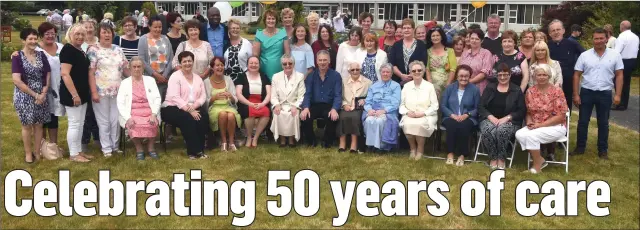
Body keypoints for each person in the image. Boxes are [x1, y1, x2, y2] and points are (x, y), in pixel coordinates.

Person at [572, 28, 624, 160]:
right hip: (587, 92)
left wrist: (618, 95)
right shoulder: (585, 55)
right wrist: (576, 95)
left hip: (605, 93)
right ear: (592, 39)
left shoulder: (615, 55)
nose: (599, 41)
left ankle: (602, 150)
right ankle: (580, 147)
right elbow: (577, 75)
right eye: (596, 38)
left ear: (606, 39)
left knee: (603, 123)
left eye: (601, 38)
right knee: (583, 121)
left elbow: (619, 75)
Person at [515, 64, 568, 174]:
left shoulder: (557, 91)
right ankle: (540, 159)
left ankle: (537, 167)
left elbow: (560, 117)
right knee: (519, 134)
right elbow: (529, 112)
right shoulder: (530, 91)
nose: (542, 77)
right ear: (534, 77)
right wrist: (529, 121)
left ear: (549, 76)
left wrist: (540, 125)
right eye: (539, 75)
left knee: (531, 136)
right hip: (535, 124)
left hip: (556, 126)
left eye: (545, 74)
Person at [87, 23, 130, 157]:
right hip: (100, 92)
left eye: (109, 32)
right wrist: (93, 92)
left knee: (115, 120)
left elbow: (125, 69)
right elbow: (91, 72)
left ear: (113, 34)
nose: (106, 35)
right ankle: (106, 149)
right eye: (103, 32)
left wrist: (138, 78)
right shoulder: (93, 49)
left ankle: (115, 146)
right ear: (99, 35)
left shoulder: (118, 49)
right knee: (103, 121)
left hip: (118, 91)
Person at [12, 28, 52, 163]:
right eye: (30, 39)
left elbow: (47, 73)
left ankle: (37, 152)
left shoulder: (41, 55)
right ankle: (28, 154)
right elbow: (16, 80)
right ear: (23, 40)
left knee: (39, 125)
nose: (33, 41)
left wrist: (44, 92)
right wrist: (35, 95)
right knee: (27, 125)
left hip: (41, 96)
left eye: (35, 39)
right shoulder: (17, 57)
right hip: (25, 95)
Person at [478, 63, 526, 169]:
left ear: (510, 75)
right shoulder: (490, 88)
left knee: (501, 130)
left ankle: (501, 158)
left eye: (505, 74)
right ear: (497, 76)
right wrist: (490, 117)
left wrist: (507, 117)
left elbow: (521, 111)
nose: (503, 77)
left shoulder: (516, 90)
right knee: (488, 130)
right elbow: (481, 106)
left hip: (510, 121)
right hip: (489, 119)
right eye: (500, 75)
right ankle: (493, 157)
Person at [162, 51, 208, 159]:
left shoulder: (198, 78)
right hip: (172, 107)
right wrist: (189, 110)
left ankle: (201, 150)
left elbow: (203, 96)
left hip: (193, 107)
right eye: (184, 61)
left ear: (193, 62)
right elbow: (175, 97)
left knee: (203, 117)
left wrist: (194, 107)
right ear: (180, 63)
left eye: (189, 61)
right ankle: (193, 152)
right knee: (188, 119)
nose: (187, 63)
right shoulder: (175, 76)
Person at [117, 57, 161, 160]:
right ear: (130, 68)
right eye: (134, 67)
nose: (137, 69)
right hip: (132, 112)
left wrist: (154, 114)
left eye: (139, 66)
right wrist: (128, 117)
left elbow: (157, 98)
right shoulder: (125, 83)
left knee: (152, 123)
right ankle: (139, 148)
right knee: (133, 124)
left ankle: (151, 147)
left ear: (143, 68)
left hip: (149, 110)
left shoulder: (150, 80)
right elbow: (120, 102)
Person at [60, 23, 93, 162]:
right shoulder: (68, 50)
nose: (80, 37)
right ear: (70, 35)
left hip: (82, 93)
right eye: (77, 34)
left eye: (82, 34)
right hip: (73, 94)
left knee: (80, 123)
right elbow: (65, 74)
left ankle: (78, 150)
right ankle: (73, 154)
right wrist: (74, 95)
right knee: (74, 123)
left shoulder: (80, 50)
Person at [300, 50, 342, 148]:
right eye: (320, 60)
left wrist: (334, 109)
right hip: (315, 105)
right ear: (317, 61)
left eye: (325, 60)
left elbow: (338, 95)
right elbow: (307, 94)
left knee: (332, 117)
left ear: (329, 61)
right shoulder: (311, 76)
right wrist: (305, 107)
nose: (322, 62)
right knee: (305, 117)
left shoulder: (336, 76)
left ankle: (327, 141)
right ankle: (311, 141)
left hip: (329, 105)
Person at [441, 65, 481, 166]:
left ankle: (462, 155)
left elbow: (478, 108)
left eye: (466, 76)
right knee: (452, 125)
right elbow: (443, 105)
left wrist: (467, 114)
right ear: (457, 76)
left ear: (470, 77)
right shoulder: (450, 88)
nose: (463, 78)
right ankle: (450, 154)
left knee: (463, 126)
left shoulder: (475, 90)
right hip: (450, 116)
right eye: (461, 76)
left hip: (469, 117)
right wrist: (451, 115)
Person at [399, 61, 438, 160]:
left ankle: (420, 150)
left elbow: (435, 106)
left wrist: (423, 113)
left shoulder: (429, 86)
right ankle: (412, 149)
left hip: (426, 115)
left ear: (423, 71)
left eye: (419, 70)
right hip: (410, 114)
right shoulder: (406, 87)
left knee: (419, 125)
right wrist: (408, 112)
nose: (417, 72)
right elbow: (401, 105)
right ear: (410, 72)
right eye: (414, 70)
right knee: (407, 124)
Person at [36, 22, 65, 155]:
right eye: (47, 34)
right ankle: (41, 147)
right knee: (41, 118)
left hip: (57, 88)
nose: (50, 36)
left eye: (52, 34)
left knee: (54, 117)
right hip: (40, 89)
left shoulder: (61, 47)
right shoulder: (36, 50)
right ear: (41, 35)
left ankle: (53, 146)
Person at [362, 63, 401, 152]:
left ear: (391, 74)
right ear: (380, 73)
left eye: (388, 72)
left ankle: (381, 146)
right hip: (374, 110)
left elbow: (396, 103)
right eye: (383, 72)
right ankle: (370, 145)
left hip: (389, 111)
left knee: (379, 121)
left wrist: (384, 110)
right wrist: (369, 110)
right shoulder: (374, 85)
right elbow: (368, 102)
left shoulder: (396, 86)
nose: (385, 74)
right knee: (369, 120)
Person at [548, 19, 585, 111]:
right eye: (553, 30)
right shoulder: (547, 45)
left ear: (563, 31)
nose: (556, 32)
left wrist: (579, 68)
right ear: (550, 33)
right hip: (551, 80)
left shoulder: (572, 44)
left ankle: (566, 123)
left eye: (558, 29)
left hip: (568, 79)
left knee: (567, 103)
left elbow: (585, 55)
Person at [235, 56, 272, 148]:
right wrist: (250, 104)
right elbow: (238, 94)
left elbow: (269, 93)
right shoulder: (241, 76)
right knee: (249, 111)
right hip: (246, 103)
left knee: (266, 111)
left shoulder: (264, 76)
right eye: (251, 63)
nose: (253, 65)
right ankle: (248, 137)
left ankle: (255, 138)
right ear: (247, 64)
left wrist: (263, 104)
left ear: (259, 65)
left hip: (261, 103)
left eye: (256, 63)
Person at [206, 57, 241, 152]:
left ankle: (231, 142)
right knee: (222, 114)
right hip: (215, 107)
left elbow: (235, 100)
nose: (220, 67)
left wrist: (230, 96)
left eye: (222, 65)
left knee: (230, 115)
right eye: (217, 65)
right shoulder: (206, 82)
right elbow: (205, 101)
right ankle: (224, 142)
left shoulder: (228, 79)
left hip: (228, 106)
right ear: (212, 67)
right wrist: (214, 98)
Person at [270, 55, 306, 147]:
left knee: (294, 113)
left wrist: (295, 106)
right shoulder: (276, 76)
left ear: (294, 64)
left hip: (293, 104)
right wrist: (277, 104)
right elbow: (273, 95)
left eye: (290, 63)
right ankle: (281, 138)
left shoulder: (300, 76)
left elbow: (301, 95)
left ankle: (291, 139)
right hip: (280, 104)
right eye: (284, 64)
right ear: (281, 65)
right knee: (278, 112)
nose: (287, 65)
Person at [337, 62, 372, 153]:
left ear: (360, 70)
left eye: (357, 69)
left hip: (359, 108)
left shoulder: (368, 82)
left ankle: (354, 144)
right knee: (342, 117)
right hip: (346, 106)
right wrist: (344, 105)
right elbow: (339, 95)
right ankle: (342, 143)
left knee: (355, 118)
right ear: (349, 71)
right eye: (352, 69)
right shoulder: (343, 81)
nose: (355, 71)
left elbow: (371, 97)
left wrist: (365, 101)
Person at [138, 15, 174, 102]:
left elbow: (171, 59)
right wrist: (156, 75)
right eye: (155, 27)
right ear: (149, 26)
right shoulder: (143, 39)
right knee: (151, 103)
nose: (158, 29)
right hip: (150, 78)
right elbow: (142, 60)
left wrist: (164, 76)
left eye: (160, 27)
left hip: (164, 79)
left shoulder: (166, 39)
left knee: (163, 103)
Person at [389, 19, 428, 86]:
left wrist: (412, 76)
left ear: (413, 29)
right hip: (398, 82)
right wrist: (401, 75)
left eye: (409, 28)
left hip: (416, 81)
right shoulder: (396, 45)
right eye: (404, 28)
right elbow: (392, 63)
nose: (406, 30)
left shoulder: (421, 45)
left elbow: (423, 63)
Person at [254, 9, 290, 80]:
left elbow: (287, 53)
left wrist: (286, 67)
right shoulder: (259, 34)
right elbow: (256, 55)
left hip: (279, 68)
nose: (271, 21)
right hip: (264, 68)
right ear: (265, 20)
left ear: (276, 20)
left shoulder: (282, 33)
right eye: (269, 18)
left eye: (273, 18)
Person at [458, 28, 495, 95]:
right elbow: (459, 69)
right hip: (463, 88)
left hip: (479, 89)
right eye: (472, 38)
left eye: (477, 39)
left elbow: (484, 73)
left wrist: (469, 82)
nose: (474, 41)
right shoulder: (465, 53)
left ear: (482, 41)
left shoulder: (486, 53)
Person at [613, 20, 639, 110]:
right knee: (627, 83)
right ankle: (624, 103)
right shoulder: (635, 37)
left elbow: (617, 52)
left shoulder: (622, 36)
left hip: (623, 61)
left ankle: (619, 102)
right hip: (632, 61)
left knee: (618, 81)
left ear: (622, 26)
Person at [426, 27, 457, 96]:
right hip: (432, 84)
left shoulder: (450, 51)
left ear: (442, 37)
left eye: (437, 35)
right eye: (433, 36)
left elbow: (453, 69)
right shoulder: (428, 51)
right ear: (430, 38)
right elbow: (427, 69)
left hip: (446, 84)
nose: (435, 37)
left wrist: (448, 83)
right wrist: (430, 84)